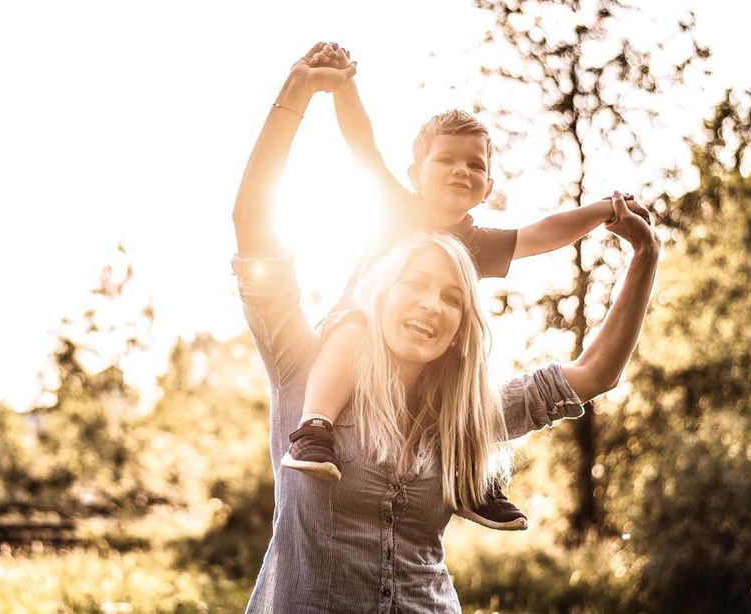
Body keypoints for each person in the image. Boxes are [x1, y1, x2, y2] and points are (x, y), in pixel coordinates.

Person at [232, 43, 660, 612]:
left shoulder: (466, 406)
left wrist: (640, 248)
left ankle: (473, 476)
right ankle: (319, 429)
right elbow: (264, 215)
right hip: (343, 339)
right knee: (350, 329)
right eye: (414, 284)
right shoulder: (302, 369)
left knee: (467, 423)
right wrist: (311, 91)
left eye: (453, 297)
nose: (432, 305)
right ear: (386, 285)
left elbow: (594, 371)